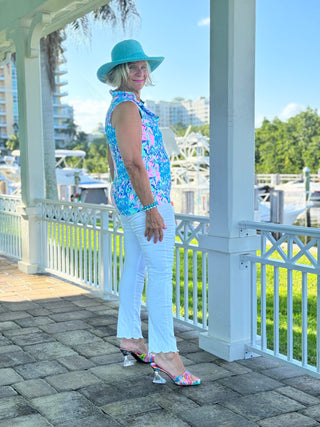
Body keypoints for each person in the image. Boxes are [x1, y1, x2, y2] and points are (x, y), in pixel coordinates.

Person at [97, 39, 200, 386]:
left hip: (136, 201)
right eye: (132, 67)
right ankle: (167, 354)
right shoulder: (126, 107)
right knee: (160, 273)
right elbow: (132, 162)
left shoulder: (124, 105)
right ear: (119, 73)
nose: (140, 71)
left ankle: (130, 336)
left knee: (137, 267)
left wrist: (121, 194)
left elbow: (113, 161)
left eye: (143, 66)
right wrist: (151, 207)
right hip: (148, 202)